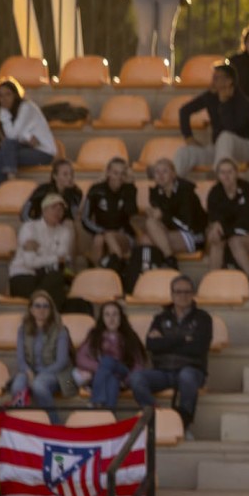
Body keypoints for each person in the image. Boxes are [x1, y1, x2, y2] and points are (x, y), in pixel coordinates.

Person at [130, 273, 212, 433]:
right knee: (136, 378)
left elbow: (198, 348)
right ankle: (158, 415)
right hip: (163, 371)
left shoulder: (203, 318)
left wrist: (166, 341)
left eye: (187, 292)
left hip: (191, 369)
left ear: (193, 294)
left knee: (187, 377)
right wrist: (183, 339)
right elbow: (151, 344)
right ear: (172, 294)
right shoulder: (161, 318)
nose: (183, 296)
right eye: (178, 292)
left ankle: (183, 424)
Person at [176, 63, 249, 174]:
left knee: (225, 137)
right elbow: (184, 111)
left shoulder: (243, 101)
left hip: (243, 147)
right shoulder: (211, 96)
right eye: (213, 77)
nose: (213, 81)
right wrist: (188, 137)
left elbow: (232, 129)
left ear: (229, 81)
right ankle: (172, 183)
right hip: (219, 148)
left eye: (216, 78)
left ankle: (222, 179)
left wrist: (225, 103)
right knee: (185, 153)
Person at [204, 157, 249, 295]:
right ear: (218, 175)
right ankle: (212, 283)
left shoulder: (248, 189)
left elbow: (248, 219)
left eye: (230, 172)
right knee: (216, 240)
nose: (226, 176)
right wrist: (216, 227)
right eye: (222, 172)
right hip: (227, 235)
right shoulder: (214, 193)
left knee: (235, 241)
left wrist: (224, 229)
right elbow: (214, 217)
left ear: (236, 173)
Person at [75, 299, 147, 409]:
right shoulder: (94, 335)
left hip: (123, 373)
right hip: (105, 377)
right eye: (107, 315)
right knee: (112, 379)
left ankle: (96, 401)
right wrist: (101, 368)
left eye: (115, 314)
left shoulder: (130, 336)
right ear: (102, 318)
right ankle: (109, 414)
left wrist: (126, 381)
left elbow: (139, 365)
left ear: (121, 317)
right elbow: (81, 358)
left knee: (107, 361)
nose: (111, 319)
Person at [10, 292, 76, 412]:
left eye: (46, 306)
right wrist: (28, 372)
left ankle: (52, 421)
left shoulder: (60, 330)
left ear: (51, 310)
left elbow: (62, 362)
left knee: (38, 386)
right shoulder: (23, 329)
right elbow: (20, 359)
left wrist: (39, 375)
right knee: (17, 387)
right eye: (37, 306)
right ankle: (22, 421)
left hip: (58, 374)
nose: (41, 309)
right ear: (31, 309)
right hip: (30, 371)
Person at [136, 158, 205, 266]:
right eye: (157, 172)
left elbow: (186, 224)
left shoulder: (185, 192)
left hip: (193, 235)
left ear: (173, 174)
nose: (160, 175)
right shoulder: (156, 193)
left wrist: (162, 216)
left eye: (165, 171)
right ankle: (159, 266)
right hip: (171, 234)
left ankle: (169, 261)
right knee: (146, 236)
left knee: (148, 238)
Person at [9, 192, 76, 304]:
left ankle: (40, 304)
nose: (57, 212)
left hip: (47, 276)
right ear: (44, 210)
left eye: (61, 209)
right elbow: (30, 262)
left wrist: (39, 249)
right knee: (56, 294)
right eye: (53, 208)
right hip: (23, 275)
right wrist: (55, 258)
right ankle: (41, 305)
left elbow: (63, 257)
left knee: (57, 279)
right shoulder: (29, 227)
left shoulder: (64, 232)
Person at [0, 79, 56, 185]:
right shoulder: (7, 112)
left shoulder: (26, 107)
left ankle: (8, 185)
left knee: (2, 154)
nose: (4, 99)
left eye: (8, 94)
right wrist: (27, 137)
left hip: (44, 152)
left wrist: (4, 113)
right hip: (28, 148)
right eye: (1, 96)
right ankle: (7, 186)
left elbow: (12, 136)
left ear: (15, 95)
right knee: (0, 154)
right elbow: (13, 137)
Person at [83, 156, 140, 271]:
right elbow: (85, 219)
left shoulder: (129, 189)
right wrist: (101, 231)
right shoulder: (96, 189)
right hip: (102, 233)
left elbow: (131, 211)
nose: (119, 177)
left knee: (108, 235)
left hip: (124, 236)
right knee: (99, 239)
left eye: (122, 174)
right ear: (108, 173)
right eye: (115, 173)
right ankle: (97, 271)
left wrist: (129, 186)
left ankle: (117, 266)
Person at [21, 157, 85, 227]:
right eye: (65, 174)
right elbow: (25, 213)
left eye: (71, 174)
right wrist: (33, 225)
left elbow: (74, 216)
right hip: (40, 225)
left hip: (62, 227)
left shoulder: (76, 193)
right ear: (55, 176)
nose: (70, 177)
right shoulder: (42, 190)